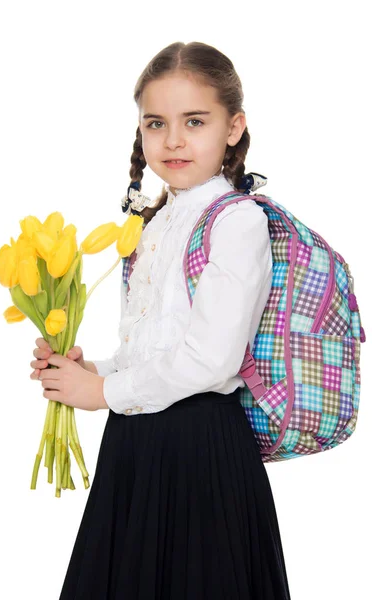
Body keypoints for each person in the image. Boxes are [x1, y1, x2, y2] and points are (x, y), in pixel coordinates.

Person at [31, 41, 292, 600]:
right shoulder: (154, 222)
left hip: (199, 449)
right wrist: (87, 371)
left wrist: (104, 390)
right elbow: (151, 346)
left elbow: (211, 359)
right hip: (136, 440)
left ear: (233, 127)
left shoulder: (237, 221)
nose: (173, 139)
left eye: (194, 121)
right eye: (156, 123)